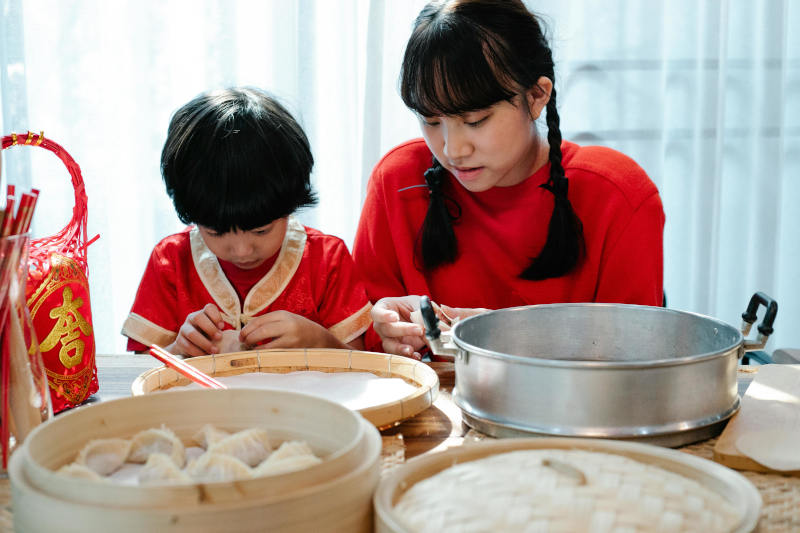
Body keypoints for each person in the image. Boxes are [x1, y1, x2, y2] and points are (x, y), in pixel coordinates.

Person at [353, 0, 665, 359]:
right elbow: (365, 346)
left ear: (536, 96)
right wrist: (388, 330)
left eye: (475, 121)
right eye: (431, 121)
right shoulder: (397, 182)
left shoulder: (617, 195)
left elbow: (639, 359)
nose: (453, 149)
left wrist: (509, 338)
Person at [123, 87, 372, 356]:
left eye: (261, 230)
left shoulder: (326, 261)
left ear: (290, 206)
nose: (242, 250)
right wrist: (179, 350)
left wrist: (317, 339)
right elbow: (142, 371)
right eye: (216, 232)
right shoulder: (171, 262)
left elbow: (360, 369)